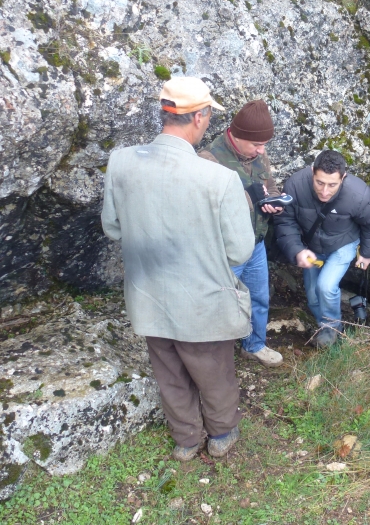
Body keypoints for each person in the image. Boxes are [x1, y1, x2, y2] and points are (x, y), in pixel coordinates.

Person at [101, 77, 254, 461]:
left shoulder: (121, 162)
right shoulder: (219, 179)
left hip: (148, 294)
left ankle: (186, 439)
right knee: (212, 369)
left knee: (168, 369)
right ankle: (220, 433)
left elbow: (112, 227)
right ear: (200, 118)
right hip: (202, 300)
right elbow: (239, 250)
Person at [198, 99, 284, 368]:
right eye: (256, 145)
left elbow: (269, 185)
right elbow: (204, 208)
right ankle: (213, 359)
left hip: (255, 242)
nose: (261, 150)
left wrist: (275, 202)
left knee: (259, 297)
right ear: (237, 135)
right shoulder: (208, 159)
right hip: (225, 249)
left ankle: (254, 345)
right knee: (221, 302)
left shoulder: (259, 153)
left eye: (264, 146)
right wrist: (249, 197)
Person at [274, 150, 370, 348]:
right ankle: (323, 326)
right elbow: (285, 221)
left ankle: (332, 330)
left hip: (343, 243)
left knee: (325, 286)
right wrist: (297, 250)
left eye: (332, 185)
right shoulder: (295, 186)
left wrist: (367, 254)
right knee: (313, 294)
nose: (325, 191)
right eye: (319, 182)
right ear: (312, 172)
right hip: (313, 246)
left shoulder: (358, 194)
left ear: (343, 177)